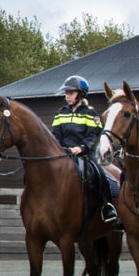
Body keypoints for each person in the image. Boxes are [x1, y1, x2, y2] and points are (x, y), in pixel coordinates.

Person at [50, 75, 119, 224]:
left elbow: (93, 136)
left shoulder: (91, 113)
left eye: (71, 93)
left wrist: (80, 148)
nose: (67, 96)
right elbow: (55, 134)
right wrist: (60, 149)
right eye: (66, 93)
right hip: (63, 154)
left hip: (85, 154)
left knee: (100, 175)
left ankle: (108, 206)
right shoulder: (60, 113)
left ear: (80, 94)